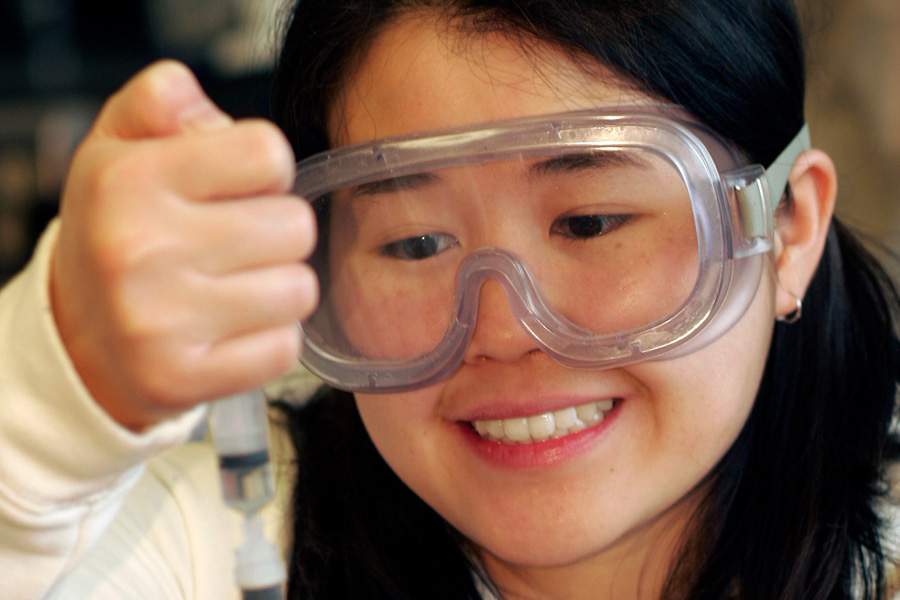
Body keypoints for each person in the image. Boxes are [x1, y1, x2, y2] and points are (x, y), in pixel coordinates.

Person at [1, 0, 898, 599]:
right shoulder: (213, 541)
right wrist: (55, 394)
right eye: (417, 243)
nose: (502, 331)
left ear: (786, 231)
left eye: (590, 222)